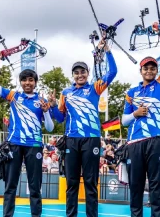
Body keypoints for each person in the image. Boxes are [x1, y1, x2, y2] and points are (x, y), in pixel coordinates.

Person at [49, 39, 117, 217]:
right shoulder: (66, 93)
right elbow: (59, 117)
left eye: (83, 72)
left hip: (91, 139)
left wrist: (107, 49)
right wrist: (52, 106)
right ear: (73, 75)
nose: (80, 75)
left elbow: (113, 71)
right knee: (71, 183)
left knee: (90, 183)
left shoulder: (95, 87)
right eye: (76, 72)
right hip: (71, 140)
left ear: (87, 73)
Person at [0, 52, 54, 217]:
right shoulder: (13, 96)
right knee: (11, 185)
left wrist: (46, 112)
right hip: (14, 144)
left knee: (34, 186)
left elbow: (50, 127)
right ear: (21, 82)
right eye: (24, 80)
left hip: (34, 146)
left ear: (35, 82)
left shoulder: (41, 100)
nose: (27, 83)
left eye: (30, 80)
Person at [121, 22, 160, 217]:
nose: (150, 71)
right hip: (135, 142)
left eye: (153, 68)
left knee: (155, 183)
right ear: (141, 71)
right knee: (135, 184)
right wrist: (135, 114)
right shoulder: (131, 92)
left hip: (157, 140)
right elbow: (124, 121)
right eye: (146, 68)